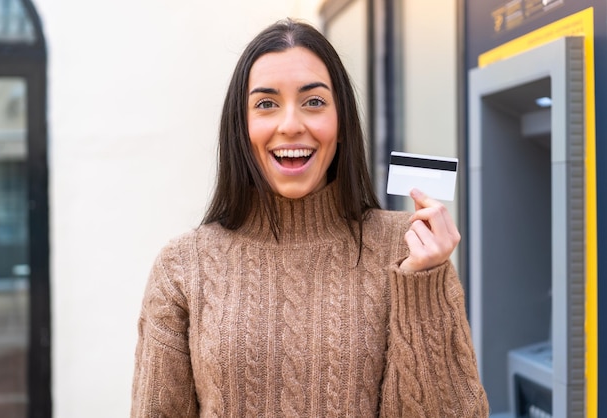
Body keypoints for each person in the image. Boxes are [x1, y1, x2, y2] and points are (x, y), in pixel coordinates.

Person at [131, 18, 489, 417]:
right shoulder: (182, 266)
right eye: (266, 104)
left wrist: (424, 285)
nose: (290, 125)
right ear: (241, 128)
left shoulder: (406, 250)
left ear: (341, 125)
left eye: (314, 102)